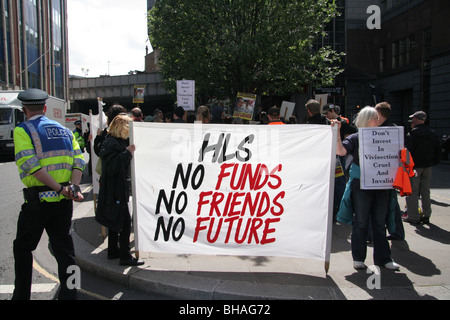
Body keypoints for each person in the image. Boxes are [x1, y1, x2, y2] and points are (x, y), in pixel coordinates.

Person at [12, 88, 85, 300]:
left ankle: (21, 296)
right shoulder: (66, 131)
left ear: (24, 110)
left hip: (39, 202)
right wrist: (73, 188)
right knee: (65, 251)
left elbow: (32, 167)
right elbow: (79, 161)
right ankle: (71, 295)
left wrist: (60, 189)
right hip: (64, 202)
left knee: (23, 248)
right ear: (44, 108)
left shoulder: (22, 130)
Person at [334, 106, 400, 270]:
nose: (378, 121)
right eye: (374, 118)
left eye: (378, 118)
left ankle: (383, 258)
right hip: (362, 185)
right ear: (365, 120)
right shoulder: (357, 138)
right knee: (361, 222)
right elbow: (341, 151)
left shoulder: (386, 136)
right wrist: (337, 132)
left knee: (379, 222)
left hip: (382, 185)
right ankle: (359, 258)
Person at [95, 114, 144, 266]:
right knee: (124, 222)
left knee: (114, 219)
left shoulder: (111, 141)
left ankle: (113, 251)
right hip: (115, 189)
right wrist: (127, 153)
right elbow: (112, 168)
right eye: (128, 127)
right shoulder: (114, 144)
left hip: (114, 188)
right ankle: (125, 256)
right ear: (121, 127)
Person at [374, 102, 405, 240]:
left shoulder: (386, 130)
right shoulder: (393, 129)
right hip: (386, 172)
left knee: (390, 204)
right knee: (390, 204)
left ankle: (396, 231)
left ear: (380, 114)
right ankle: (396, 231)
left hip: (385, 172)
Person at [404, 111, 441, 225]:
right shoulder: (432, 133)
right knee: (425, 190)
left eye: (413, 119)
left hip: (415, 167)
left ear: (416, 119)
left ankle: (413, 216)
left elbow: (408, 152)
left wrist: (407, 166)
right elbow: (438, 150)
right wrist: (433, 162)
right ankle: (426, 215)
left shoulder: (412, 134)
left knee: (413, 191)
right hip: (427, 166)